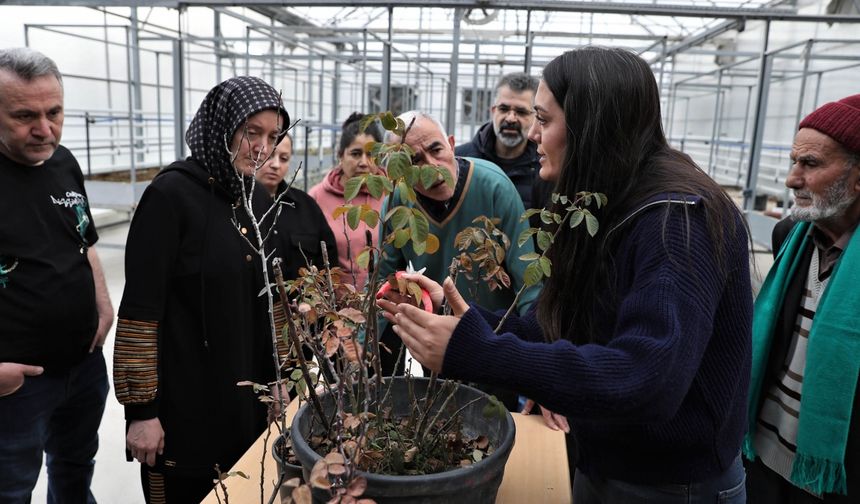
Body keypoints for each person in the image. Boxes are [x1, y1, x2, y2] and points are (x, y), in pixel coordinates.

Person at [380, 47, 752, 503]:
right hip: (610, 460)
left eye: (544, 118)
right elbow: (567, 322)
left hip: (671, 486)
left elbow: (647, 377)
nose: (534, 134)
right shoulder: (611, 198)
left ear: (590, 124)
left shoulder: (675, 219)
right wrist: (468, 322)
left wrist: (479, 353)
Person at [114, 76, 289, 503]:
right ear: (222, 126)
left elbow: (272, 304)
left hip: (245, 411)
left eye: (273, 136)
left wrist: (282, 378)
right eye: (252, 133)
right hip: (183, 410)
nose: (262, 148)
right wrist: (142, 413)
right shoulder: (169, 197)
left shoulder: (257, 201)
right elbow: (140, 312)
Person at [0, 47, 113, 503]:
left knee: (73, 471)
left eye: (54, 112)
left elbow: (82, 239)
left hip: (83, 367)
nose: (44, 129)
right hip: (17, 387)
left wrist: (103, 305)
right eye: (24, 115)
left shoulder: (63, 161)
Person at [377, 110, 541, 411]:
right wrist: (359, 352)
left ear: (451, 144)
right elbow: (382, 282)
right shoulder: (398, 203)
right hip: (437, 345)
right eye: (414, 161)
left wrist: (541, 370)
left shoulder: (494, 187)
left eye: (436, 149)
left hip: (495, 341)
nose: (432, 167)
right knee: (438, 420)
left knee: (493, 416)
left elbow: (529, 284)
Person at [744, 94, 860, 503]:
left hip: (835, 476)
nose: (792, 179)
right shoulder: (789, 237)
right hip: (762, 454)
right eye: (794, 162)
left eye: (810, 164)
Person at [455, 71, 551, 215]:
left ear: (536, 116)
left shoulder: (545, 168)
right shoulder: (459, 159)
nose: (511, 118)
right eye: (504, 109)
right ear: (493, 111)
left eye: (521, 111)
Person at [309, 112, 385, 288]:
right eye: (356, 154)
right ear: (340, 155)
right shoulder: (317, 197)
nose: (364, 162)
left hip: (384, 304)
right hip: (335, 307)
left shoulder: (392, 193)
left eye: (371, 154)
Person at [255, 133, 338, 282]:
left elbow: (328, 264)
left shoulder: (307, 207)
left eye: (284, 158)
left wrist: (313, 301)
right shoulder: (237, 207)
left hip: (302, 304)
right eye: (269, 155)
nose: (275, 164)